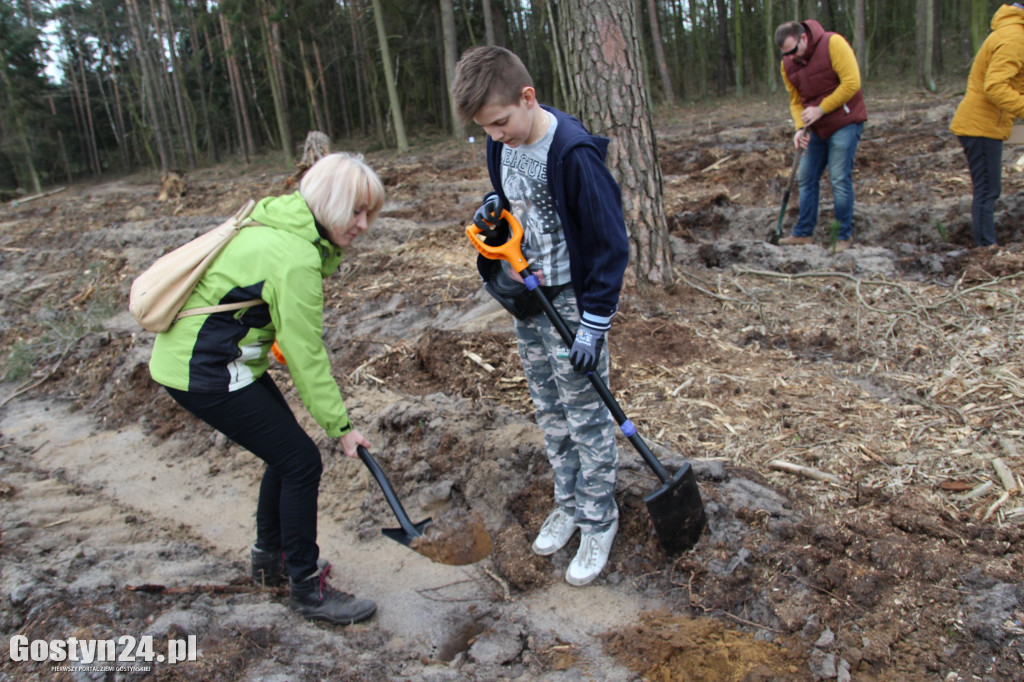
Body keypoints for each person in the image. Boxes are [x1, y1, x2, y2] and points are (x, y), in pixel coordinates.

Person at [148, 153, 385, 625]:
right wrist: (341, 427)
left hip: (211, 361)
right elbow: (306, 354)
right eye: (354, 211)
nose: (362, 225)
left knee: (286, 454)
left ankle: (269, 560)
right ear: (327, 203)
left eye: (368, 213)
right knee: (301, 461)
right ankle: (305, 587)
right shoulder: (295, 256)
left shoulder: (280, 223)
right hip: (205, 372)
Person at [452, 46, 629, 586]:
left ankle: (600, 518)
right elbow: (512, 197)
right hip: (528, 298)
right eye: (487, 129)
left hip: (573, 304)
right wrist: (494, 206)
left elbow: (609, 243)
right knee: (550, 409)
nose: (497, 135)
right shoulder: (499, 143)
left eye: (502, 122)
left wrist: (595, 322)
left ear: (528, 98)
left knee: (585, 414)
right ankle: (570, 503)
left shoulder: (573, 153)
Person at [775, 19, 867, 251]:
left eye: (794, 50)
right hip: (815, 127)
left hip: (845, 121)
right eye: (786, 54)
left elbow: (852, 83)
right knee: (805, 177)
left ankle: (842, 236)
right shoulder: (788, 63)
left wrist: (822, 109)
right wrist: (799, 127)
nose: (792, 57)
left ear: (803, 38)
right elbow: (796, 102)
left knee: (838, 178)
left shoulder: (833, 43)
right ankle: (804, 233)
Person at [950, 3, 1024, 248]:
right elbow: (995, 87)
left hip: (986, 124)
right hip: (979, 126)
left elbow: (1013, 82)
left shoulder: (1012, 32)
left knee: (988, 189)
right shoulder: (1015, 37)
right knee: (988, 191)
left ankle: (986, 245)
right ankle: (986, 249)